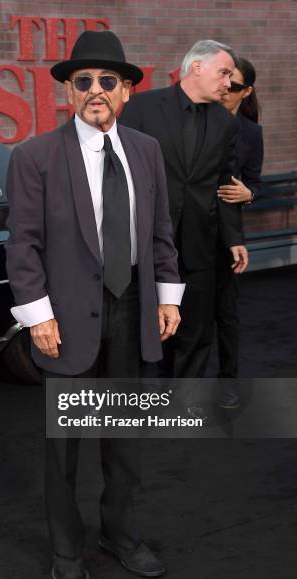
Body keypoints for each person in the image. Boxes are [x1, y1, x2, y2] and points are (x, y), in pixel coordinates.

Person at [5, 30, 184, 579]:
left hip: (132, 307)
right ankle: (66, 548)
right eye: (83, 82)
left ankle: (121, 534)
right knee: (65, 446)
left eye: (109, 80)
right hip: (65, 316)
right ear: (68, 93)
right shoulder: (34, 156)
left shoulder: (147, 151)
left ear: (127, 91)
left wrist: (168, 295)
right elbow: (22, 244)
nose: (96, 90)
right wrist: (37, 316)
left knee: (125, 437)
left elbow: (160, 232)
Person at [119, 40, 248, 385]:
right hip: (145, 241)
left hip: (200, 242)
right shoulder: (142, 107)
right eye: (224, 74)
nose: (228, 83)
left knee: (196, 327)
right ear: (197, 68)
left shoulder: (226, 122)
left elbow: (225, 185)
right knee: (142, 323)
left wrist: (233, 237)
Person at [216, 57, 263, 407]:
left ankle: (226, 384)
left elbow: (254, 181)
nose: (224, 89)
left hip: (229, 235)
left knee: (227, 315)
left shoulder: (251, 132)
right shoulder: (197, 117)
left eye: (233, 86)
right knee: (180, 311)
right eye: (223, 79)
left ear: (245, 91)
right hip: (189, 230)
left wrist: (249, 194)